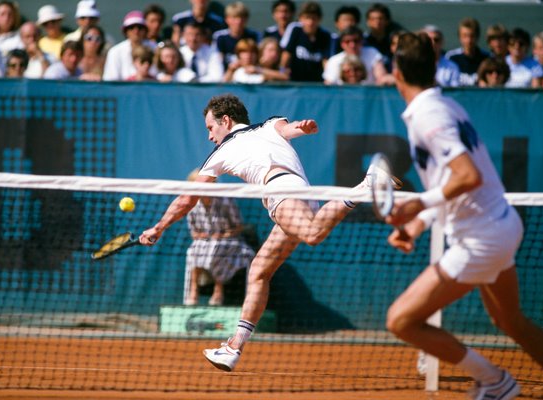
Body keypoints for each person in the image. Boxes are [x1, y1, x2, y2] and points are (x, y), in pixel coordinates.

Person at [138, 93, 399, 371]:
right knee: (259, 270)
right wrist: (303, 127)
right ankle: (233, 347)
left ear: (225, 120)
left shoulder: (223, 152)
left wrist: (159, 226)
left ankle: (365, 186)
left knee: (312, 234)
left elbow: (188, 197)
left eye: (210, 128)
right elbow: (289, 128)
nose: (209, 136)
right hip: (299, 192)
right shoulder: (269, 124)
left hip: (280, 192)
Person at [386, 31, 543, 399]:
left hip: (481, 238)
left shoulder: (429, 115)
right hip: (501, 224)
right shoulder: (445, 106)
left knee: (400, 320)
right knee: (510, 321)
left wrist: (416, 204)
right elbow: (455, 184)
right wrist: (417, 224)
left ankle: (494, 380)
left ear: (397, 73)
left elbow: (468, 176)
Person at [183, 169, 254, 306]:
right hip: (204, 243)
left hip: (231, 242)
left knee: (217, 248)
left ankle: (218, 289)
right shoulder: (191, 205)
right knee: (192, 250)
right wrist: (201, 236)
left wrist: (222, 235)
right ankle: (193, 291)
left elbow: (238, 227)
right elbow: (194, 233)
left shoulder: (225, 201)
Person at [280, 1, 332, 82]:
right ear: (300, 18)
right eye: (307, 18)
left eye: (314, 18)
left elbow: (325, 60)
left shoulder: (325, 35)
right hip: (295, 82)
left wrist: (328, 78)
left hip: (316, 83)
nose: (310, 22)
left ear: (319, 19)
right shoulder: (296, 31)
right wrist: (282, 71)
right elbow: (287, 54)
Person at [323, 26, 391, 86]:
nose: (352, 45)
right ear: (342, 44)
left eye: (356, 41)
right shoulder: (334, 61)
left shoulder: (372, 53)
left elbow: (381, 77)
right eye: (347, 41)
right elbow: (329, 85)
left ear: (362, 41)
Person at [103, 11, 156, 81]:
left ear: (145, 30)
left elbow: (160, 76)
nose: (136, 31)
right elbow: (111, 81)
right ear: (125, 31)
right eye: (131, 27)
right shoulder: (114, 52)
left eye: (140, 27)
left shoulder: (155, 48)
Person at [212, 1, 261, 71]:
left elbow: (259, 60)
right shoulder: (219, 37)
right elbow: (217, 61)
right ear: (227, 19)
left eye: (242, 17)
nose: (238, 21)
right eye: (234, 17)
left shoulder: (255, 35)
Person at [445, 17, 489, 87]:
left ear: (477, 37)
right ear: (460, 37)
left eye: (472, 36)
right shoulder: (451, 57)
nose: (469, 40)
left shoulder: (487, 58)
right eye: (465, 36)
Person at [363, 3, 393, 73]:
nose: (377, 22)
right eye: (373, 19)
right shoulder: (361, 42)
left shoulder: (393, 42)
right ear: (368, 22)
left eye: (380, 18)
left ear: (387, 21)